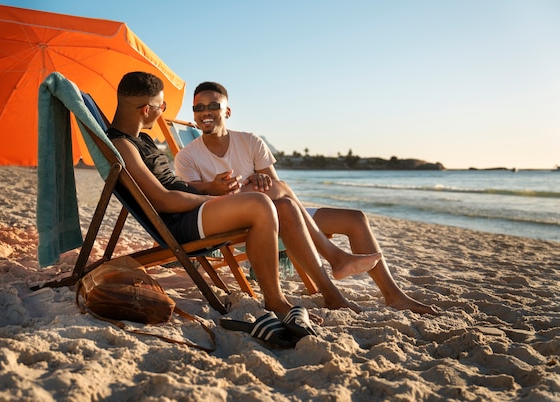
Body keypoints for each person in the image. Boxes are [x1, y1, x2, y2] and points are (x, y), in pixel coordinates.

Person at [105, 71, 368, 324]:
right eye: (161, 106)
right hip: (180, 221)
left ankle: (331, 293)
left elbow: (176, 186)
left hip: (192, 209)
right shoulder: (123, 146)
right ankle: (278, 298)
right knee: (262, 201)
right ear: (145, 109)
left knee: (284, 202)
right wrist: (211, 199)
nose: (163, 111)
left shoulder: (142, 140)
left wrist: (212, 188)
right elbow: (162, 200)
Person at [174, 81, 438, 315]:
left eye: (213, 106)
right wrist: (222, 188)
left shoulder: (251, 142)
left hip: (281, 210)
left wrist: (261, 180)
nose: (205, 112)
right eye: (198, 108)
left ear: (227, 111)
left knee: (354, 219)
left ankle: (393, 295)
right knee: (284, 201)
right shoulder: (186, 157)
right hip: (242, 223)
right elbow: (194, 200)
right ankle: (335, 262)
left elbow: (275, 185)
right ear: (194, 114)